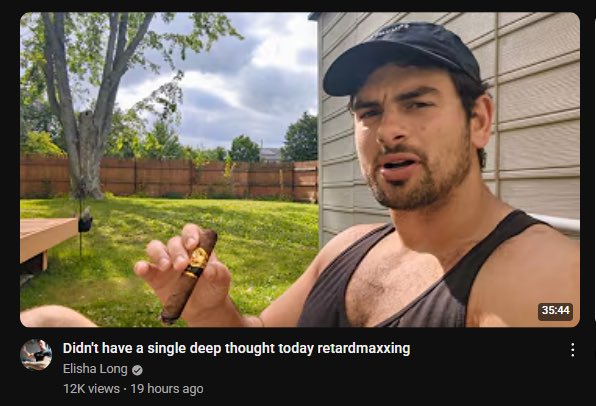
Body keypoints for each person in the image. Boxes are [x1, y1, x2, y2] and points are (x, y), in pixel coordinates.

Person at [21, 21, 579, 328]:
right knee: (47, 323)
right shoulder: (348, 248)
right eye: (369, 112)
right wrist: (213, 310)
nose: (388, 130)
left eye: (417, 103)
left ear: (478, 120)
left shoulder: (541, 277)